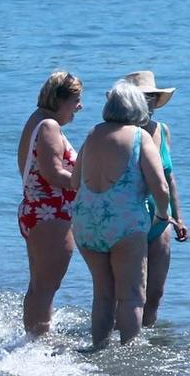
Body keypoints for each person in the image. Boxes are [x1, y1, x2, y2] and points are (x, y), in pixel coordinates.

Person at [70, 81, 172, 349]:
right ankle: (128, 359)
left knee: (103, 295)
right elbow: (160, 186)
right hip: (125, 225)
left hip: (85, 223)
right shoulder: (140, 137)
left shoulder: (93, 133)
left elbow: (73, 181)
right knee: (131, 296)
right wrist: (162, 215)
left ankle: (98, 348)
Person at [16, 72, 83, 337]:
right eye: (76, 100)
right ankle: (37, 347)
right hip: (50, 213)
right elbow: (53, 173)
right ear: (60, 100)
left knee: (39, 285)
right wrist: (90, 183)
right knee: (46, 286)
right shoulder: (49, 127)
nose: (80, 106)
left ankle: (31, 342)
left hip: (37, 210)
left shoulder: (36, 121)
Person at [123, 69, 189, 326]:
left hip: (161, 218)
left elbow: (169, 177)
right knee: (130, 293)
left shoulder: (162, 130)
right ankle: (123, 341)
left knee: (156, 292)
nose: (148, 103)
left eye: (151, 97)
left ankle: (147, 347)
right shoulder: (122, 133)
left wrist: (179, 217)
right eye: (142, 97)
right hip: (129, 219)